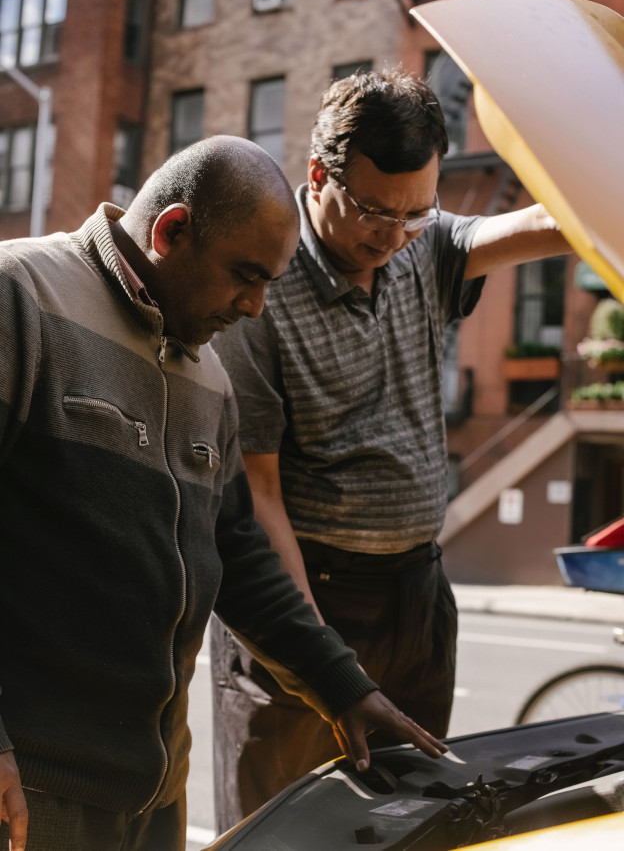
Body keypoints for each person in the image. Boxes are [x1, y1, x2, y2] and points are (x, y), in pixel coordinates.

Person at [0, 134, 448, 851]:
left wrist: (343, 686)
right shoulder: (19, 296)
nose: (256, 307)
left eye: (270, 281)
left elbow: (237, 554)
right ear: (171, 231)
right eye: (245, 275)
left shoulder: (210, 377)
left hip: (153, 802)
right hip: (31, 796)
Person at [211, 69, 572, 830]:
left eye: (418, 212)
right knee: (290, 832)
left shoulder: (419, 247)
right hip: (312, 594)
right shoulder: (260, 292)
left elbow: (556, 224)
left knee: (413, 827)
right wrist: (321, 667)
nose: (394, 235)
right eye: (375, 211)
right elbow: (260, 496)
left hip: (418, 594)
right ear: (319, 177)